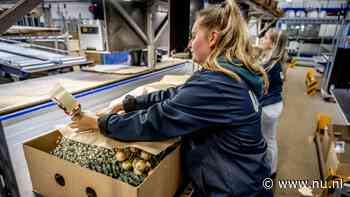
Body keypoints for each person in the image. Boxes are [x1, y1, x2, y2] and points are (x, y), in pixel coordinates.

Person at [71, 1, 272, 196]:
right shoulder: (230, 75)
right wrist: (127, 103)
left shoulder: (218, 84)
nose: (189, 44)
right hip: (245, 178)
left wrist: (98, 123)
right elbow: (175, 94)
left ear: (212, 38)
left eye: (194, 36)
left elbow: (156, 121)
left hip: (234, 189)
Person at [258, 28, 288, 178]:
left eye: (266, 37)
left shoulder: (270, 64)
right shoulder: (274, 60)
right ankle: (271, 169)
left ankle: (269, 172)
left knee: (267, 139)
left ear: (273, 43)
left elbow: (257, 80)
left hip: (269, 106)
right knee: (270, 138)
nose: (263, 39)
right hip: (275, 104)